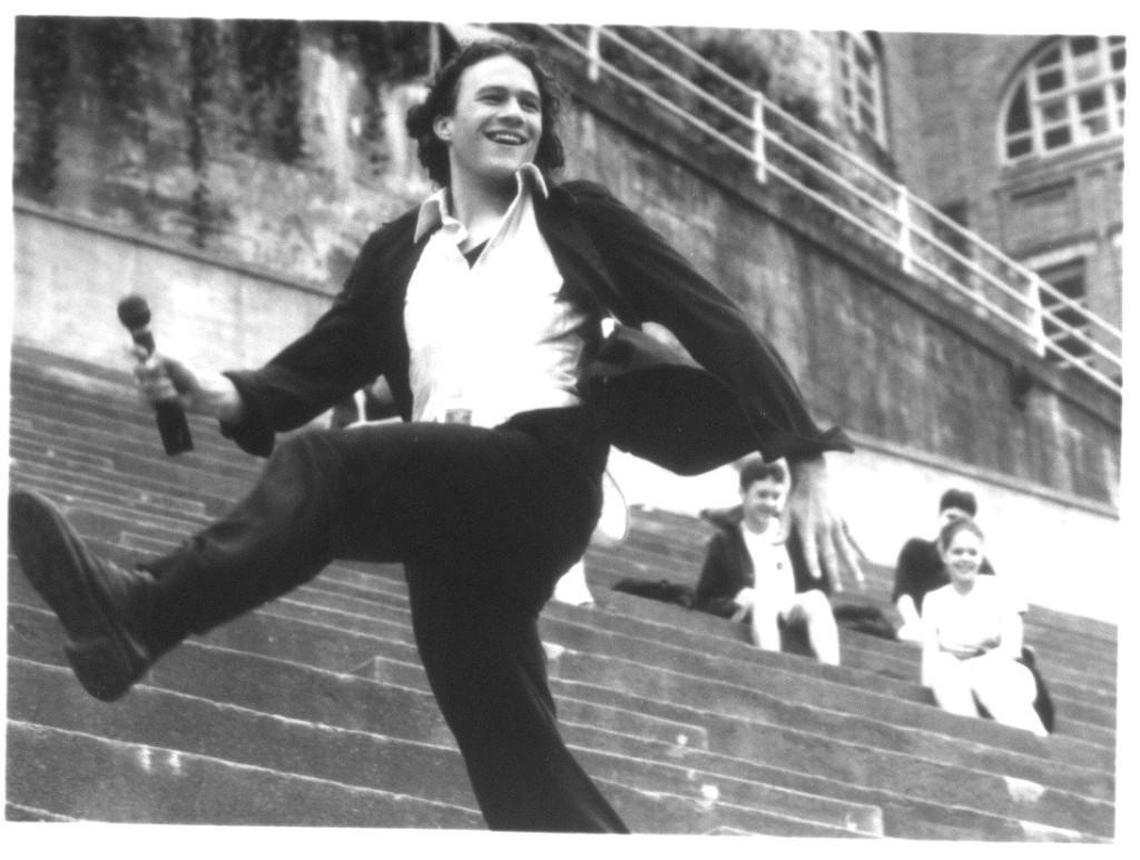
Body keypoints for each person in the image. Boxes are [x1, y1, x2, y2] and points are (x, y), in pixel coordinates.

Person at [8, 38, 862, 832]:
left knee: (329, 466)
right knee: (507, 743)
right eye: (494, 97)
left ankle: (142, 613)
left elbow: (710, 315)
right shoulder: (395, 253)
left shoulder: (578, 219)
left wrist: (805, 450)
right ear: (443, 121)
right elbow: (317, 365)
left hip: (542, 474)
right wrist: (216, 389)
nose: (517, 114)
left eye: (531, 104)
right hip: (443, 505)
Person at [694, 460, 840, 665]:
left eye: (776, 496)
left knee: (816, 598)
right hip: (751, 610)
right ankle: (772, 668)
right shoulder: (726, 541)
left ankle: (831, 671)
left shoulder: (789, 533)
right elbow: (703, 600)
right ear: (743, 494)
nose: (770, 503)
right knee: (763, 601)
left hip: (788, 609)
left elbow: (819, 585)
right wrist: (736, 601)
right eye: (762, 495)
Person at [920, 518, 1047, 736]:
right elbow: (930, 659)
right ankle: (974, 741)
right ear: (944, 555)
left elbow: (1011, 651)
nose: (965, 559)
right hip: (956, 683)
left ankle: (1034, 746)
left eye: (972, 552)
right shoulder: (933, 600)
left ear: (981, 556)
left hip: (1004, 675)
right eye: (957, 552)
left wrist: (971, 667)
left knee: (986, 673)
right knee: (943, 669)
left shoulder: (999, 589)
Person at [892, 488, 997, 642]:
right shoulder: (916, 550)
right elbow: (903, 594)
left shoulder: (981, 567)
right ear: (939, 517)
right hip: (919, 630)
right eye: (950, 517)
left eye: (962, 522)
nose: (954, 525)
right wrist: (916, 626)